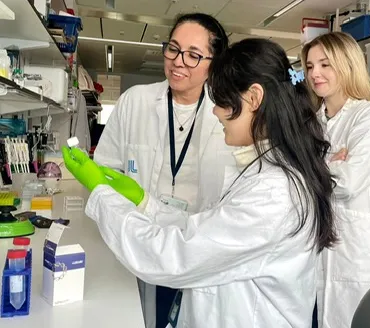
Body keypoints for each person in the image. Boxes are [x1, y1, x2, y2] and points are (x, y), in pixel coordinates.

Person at [62, 38, 337, 328]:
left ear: (254, 98)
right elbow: (204, 230)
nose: (216, 111)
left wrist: (102, 194)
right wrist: (144, 202)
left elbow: (171, 256)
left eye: (221, 100)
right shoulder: (266, 168)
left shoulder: (274, 192)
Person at [92, 13, 232, 328]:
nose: (178, 61)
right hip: (138, 241)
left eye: (193, 55)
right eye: (173, 49)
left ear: (214, 62)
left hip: (196, 247)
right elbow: (105, 168)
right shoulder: (135, 101)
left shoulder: (226, 113)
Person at [301, 31, 370, 328]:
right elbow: (292, 175)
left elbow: (348, 182)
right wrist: (330, 163)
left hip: (356, 252)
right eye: (309, 66)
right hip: (313, 246)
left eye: (325, 64)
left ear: (347, 65)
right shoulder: (310, 120)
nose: (315, 73)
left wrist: (312, 166)